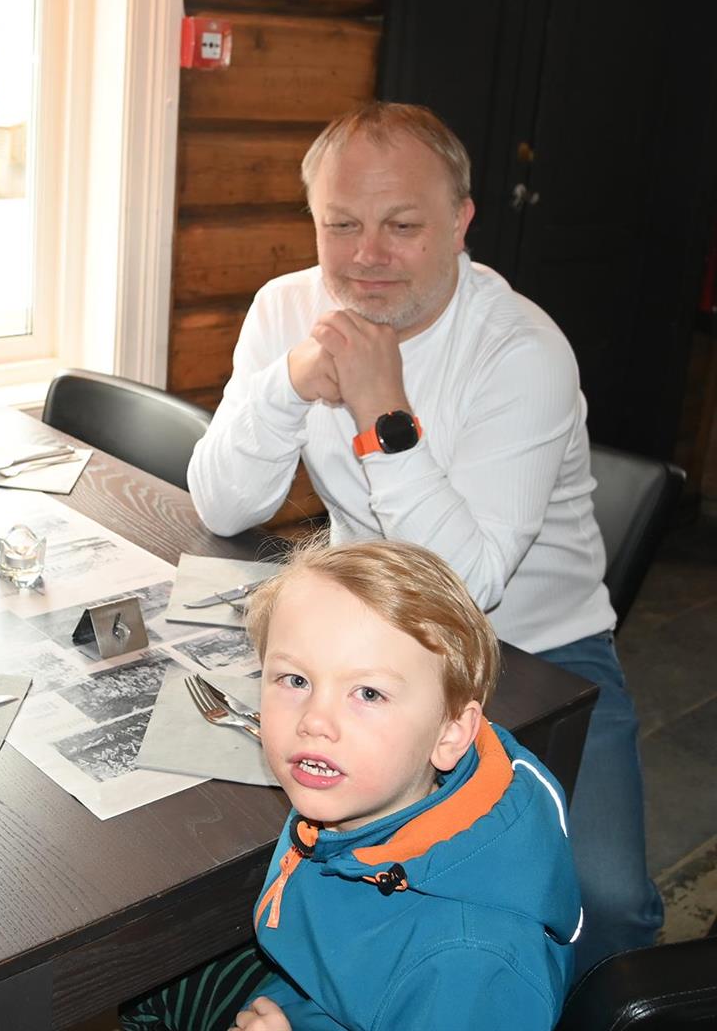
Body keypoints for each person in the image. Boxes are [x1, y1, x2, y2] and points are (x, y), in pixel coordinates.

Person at [185, 102, 661, 973]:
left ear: (461, 221)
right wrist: (289, 383)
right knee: (228, 841)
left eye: (402, 226)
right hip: (363, 635)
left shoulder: (522, 348)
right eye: (341, 225)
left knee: (607, 902)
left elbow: (465, 587)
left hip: (536, 651)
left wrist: (381, 409)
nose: (366, 255)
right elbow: (223, 506)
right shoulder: (286, 306)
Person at [129, 539, 583, 1030]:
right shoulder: (359, 793)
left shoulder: (469, 963)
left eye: (368, 693)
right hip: (306, 989)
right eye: (295, 680)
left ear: (450, 735)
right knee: (140, 985)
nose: (315, 721)